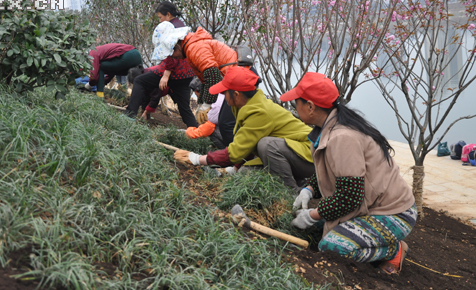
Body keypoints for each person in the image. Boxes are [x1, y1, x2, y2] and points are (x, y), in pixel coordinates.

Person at [281, 72, 417, 275]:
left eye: (296, 103)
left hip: (392, 213)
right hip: (365, 206)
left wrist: (313, 214)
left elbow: (349, 197)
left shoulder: (343, 138)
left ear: (310, 106)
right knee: (308, 228)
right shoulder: (326, 128)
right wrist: (309, 189)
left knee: (332, 248)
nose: (294, 107)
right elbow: (331, 172)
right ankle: (369, 239)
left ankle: (393, 250)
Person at [174, 66, 315, 192]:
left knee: (266, 145)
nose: (222, 97)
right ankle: (296, 180)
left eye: (224, 93)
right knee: (245, 172)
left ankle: (291, 193)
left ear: (236, 94)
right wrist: (235, 168)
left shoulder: (259, 112)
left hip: (310, 156)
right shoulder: (243, 105)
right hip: (288, 154)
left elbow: (235, 152)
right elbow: (247, 143)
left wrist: (198, 159)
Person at [125, 21, 198, 127]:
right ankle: (196, 133)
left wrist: (166, 75)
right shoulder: (185, 38)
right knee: (184, 109)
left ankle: (129, 116)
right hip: (186, 76)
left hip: (174, 73)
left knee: (139, 81)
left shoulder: (173, 42)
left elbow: (171, 58)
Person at [168, 25, 238, 125]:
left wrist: (207, 104)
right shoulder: (192, 47)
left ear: (177, 47)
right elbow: (205, 81)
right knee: (229, 122)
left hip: (238, 79)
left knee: (227, 124)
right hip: (233, 78)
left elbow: (213, 76)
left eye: (172, 54)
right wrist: (201, 104)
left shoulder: (194, 48)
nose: (174, 58)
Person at [186, 77, 226, 149]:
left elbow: (209, 127)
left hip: (233, 134)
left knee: (212, 131)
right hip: (232, 128)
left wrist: (190, 133)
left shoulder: (215, 104)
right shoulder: (218, 95)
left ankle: (225, 151)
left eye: (196, 93)